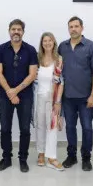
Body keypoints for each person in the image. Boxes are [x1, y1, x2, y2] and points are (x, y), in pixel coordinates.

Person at [57, 16, 93, 170]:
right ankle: (71, 156)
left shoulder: (91, 46)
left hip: (86, 97)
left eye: (76, 26)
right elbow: (57, 70)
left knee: (87, 127)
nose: (73, 29)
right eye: (71, 27)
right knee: (70, 127)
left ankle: (86, 157)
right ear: (68, 29)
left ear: (82, 28)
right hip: (68, 97)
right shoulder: (62, 46)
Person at [0, 19, 38, 172]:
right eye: (13, 29)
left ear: (23, 32)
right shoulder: (0, 49)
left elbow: (32, 74)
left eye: (19, 29)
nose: (16, 32)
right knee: (5, 129)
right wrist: (10, 92)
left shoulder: (31, 50)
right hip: (4, 95)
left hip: (25, 96)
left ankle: (23, 159)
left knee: (25, 129)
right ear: (9, 31)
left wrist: (16, 91)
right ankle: (6, 158)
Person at [34, 32, 64, 171]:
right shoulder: (37, 59)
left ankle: (51, 157)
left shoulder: (59, 60)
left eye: (49, 40)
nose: (47, 43)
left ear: (54, 42)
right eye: (44, 41)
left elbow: (61, 82)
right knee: (40, 125)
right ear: (41, 43)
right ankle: (41, 153)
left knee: (52, 127)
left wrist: (58, 102)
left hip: (53, 98)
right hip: (38, 97)